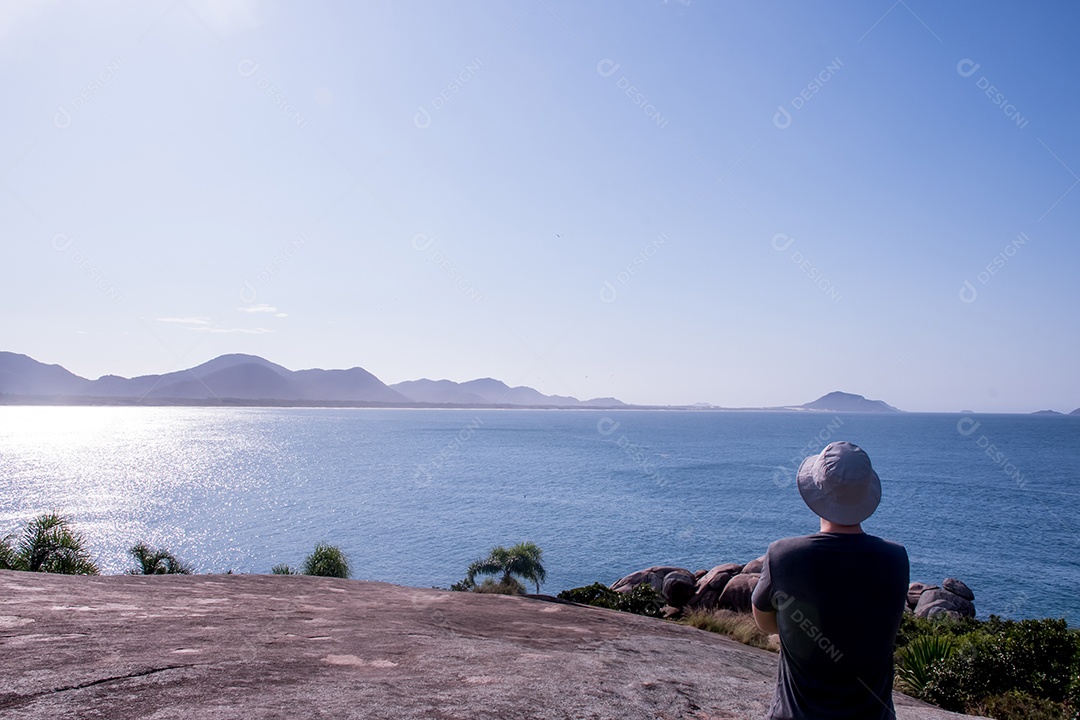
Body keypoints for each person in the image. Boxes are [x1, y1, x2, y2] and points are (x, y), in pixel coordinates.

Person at [751, 441, 909, 719]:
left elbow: (764, 624)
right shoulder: (895, 557)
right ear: (866, 492)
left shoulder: (783, 555)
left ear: (816, 491)